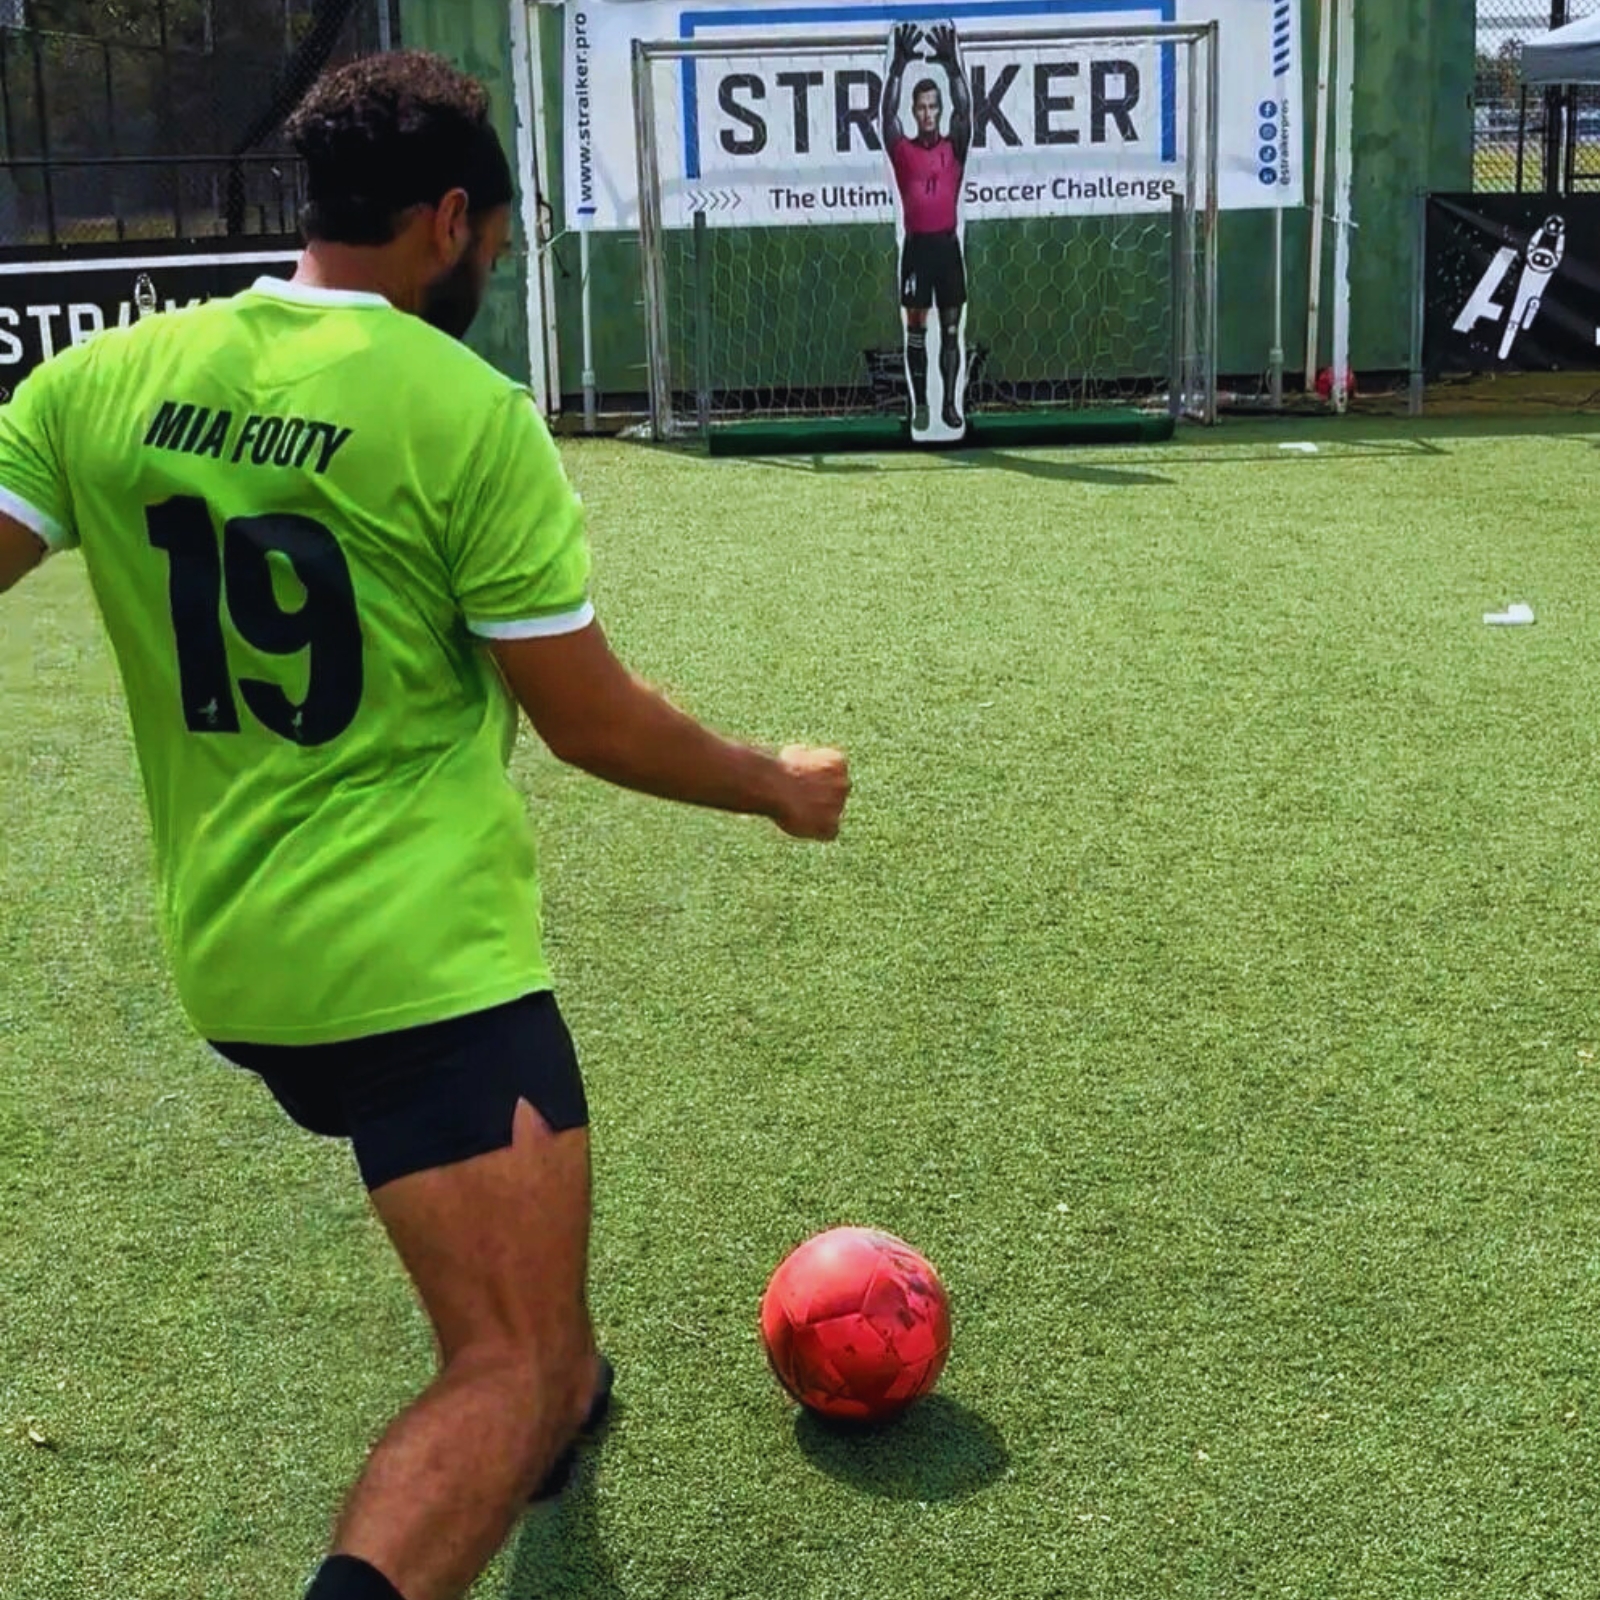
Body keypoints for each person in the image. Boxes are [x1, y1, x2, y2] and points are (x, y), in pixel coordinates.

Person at [0, 50, 849, 1600]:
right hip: (416, 968)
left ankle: (573, 1395)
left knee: (549, 1347)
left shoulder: (92, 384)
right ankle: (539, 1398)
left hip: (234, 961)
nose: (499, 269)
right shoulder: (466, 413)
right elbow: (589, 722)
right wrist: (772, 785)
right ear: (448, 219)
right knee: (501, 1368)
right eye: (499, 242)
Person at [883, 21, 972, 433]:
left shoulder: (954, 146)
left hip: (947, 250)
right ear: (914, 112)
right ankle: (920, 405)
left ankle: (951, 405)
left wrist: (953, 67)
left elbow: (966, 111)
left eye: (934, 105)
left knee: (951, 331)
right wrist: (897, 69)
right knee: (915, 333)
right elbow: (886, 117)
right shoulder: (903, 151)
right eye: (921, 107)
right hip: (917, 249)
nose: (928, 112)